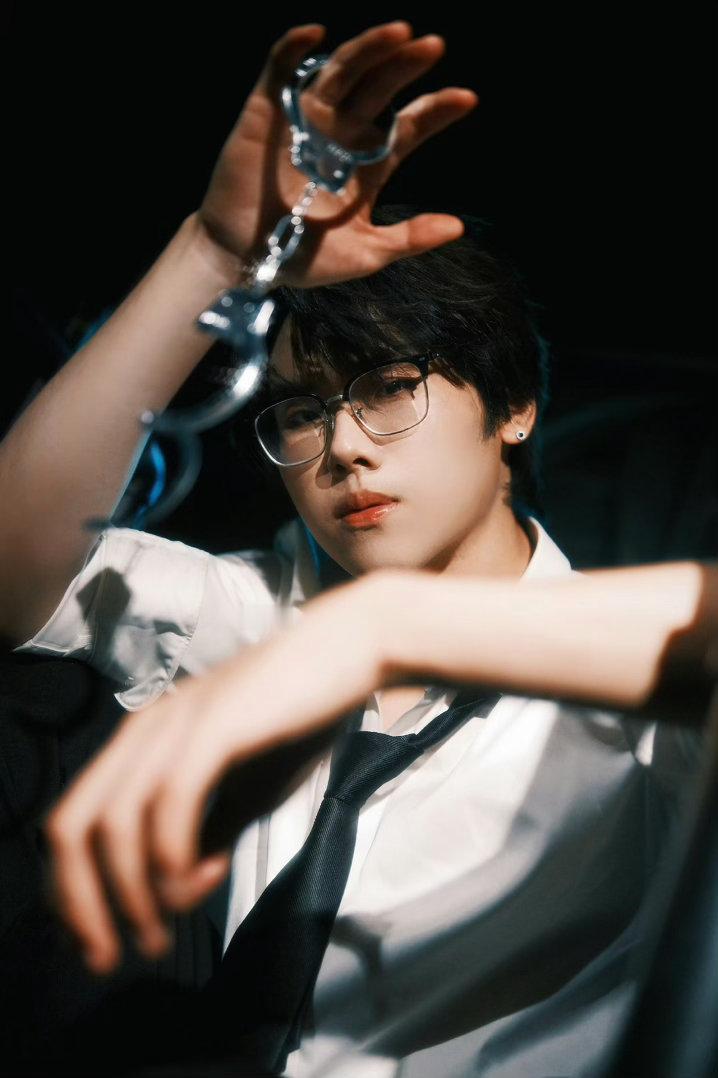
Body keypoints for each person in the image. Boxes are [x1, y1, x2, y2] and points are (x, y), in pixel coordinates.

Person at [1, 18, 713, 1078]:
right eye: (303, 410)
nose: (341, 447)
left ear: (514, 407)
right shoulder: (270, 617)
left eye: (388, 389)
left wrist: (391, 626)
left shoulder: (628, 698)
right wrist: (214, 253)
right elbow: (16, 567)